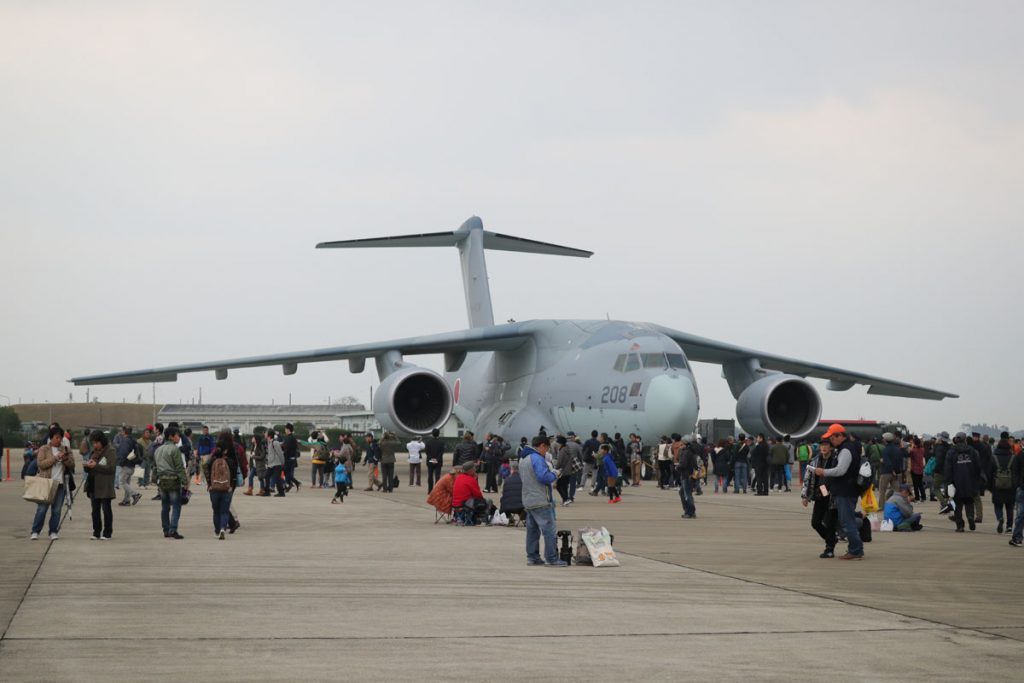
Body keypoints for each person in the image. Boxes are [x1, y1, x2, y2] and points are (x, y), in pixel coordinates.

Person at [814, 424, 864, 560]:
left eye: (832, 437)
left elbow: (841, 470)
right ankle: (856, 549)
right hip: (846, 490)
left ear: (840, 436)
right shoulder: (847, 448)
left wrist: (823, 471)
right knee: (848, 521)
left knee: (847, 522)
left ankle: (855, 550)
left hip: (845, 491)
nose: (831, 440)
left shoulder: (846, 450)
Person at [520, 435, 565, 566]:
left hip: (528, 500)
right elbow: (543, 477)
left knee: (532, 531)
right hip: (541, 500)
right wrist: (555, 474)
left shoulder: (524, 459)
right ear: (542, 446)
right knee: (549, 530)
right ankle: (551, 558)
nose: (547, 452)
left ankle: (532, 557)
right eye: (547, 448)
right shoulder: (537, 458)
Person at [29, 426, 74, 540]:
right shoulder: (44, 449)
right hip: (46, 483)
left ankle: (53, 531)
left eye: (61, 438)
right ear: (51, 437)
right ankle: (35, 531)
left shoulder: (66, 449)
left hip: (60, 484)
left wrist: (65, 459)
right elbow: (41, 464)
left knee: (57, 510)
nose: (59, 440)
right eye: (57, 437)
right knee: (42, 509)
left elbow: (72, 465)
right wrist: (55, 458)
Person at [802, 436, 838, 557]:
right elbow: (807, 478)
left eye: (826, 445)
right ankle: (831, 539)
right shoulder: (815, 460)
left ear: (831, 447)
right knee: (815, 523)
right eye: (821, 445)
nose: (823, 447)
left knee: (830, 523)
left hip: (833, 496)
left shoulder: (836, 460)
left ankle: (829, 549)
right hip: (820, 494)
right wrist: (805, 496)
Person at [203, 431, 239, 539]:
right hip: (227, 488)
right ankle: (223, 528)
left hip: (214, 488)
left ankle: (217, 530)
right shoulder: (230, 461)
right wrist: (232, 485)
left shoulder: (212, 460)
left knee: (216, 511)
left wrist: (209, 483)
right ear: (226, 450)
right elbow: (234, 474)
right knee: (224, 511)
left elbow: (205, 468)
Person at [153, 425, 188, 539]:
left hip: (162, 481)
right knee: (176, 506)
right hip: (173, 480)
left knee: (165, 506)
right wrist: (185, 482)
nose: (178, 437)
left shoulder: (158, 449)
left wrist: (155, 479)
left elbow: (155, 467)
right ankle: (173, 529)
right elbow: (179, 467)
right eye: (177, 435)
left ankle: (166, 529)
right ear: (171, 437)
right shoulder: (175, 449)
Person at [83, 430, 117, 540]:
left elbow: (111, 469)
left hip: (104, 486)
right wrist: (87, 466)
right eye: (93, 443)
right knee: (95, 511)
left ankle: (107, 532)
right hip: (93, 484)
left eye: (96, 442)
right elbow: (91, 466)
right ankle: (96, 532)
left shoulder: (110, 451)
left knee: (106, 509)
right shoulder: (94, 452)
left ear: (102, 441)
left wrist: (96, 466)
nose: (95, 445)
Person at [945, 432, 981, 532]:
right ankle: (970, 516)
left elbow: (948, 469)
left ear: (956, 440)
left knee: (957, 505)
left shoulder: (951, 452)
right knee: (969, 502)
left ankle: (960, 525)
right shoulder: (972, 451)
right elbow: (978, 466)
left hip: (956, 482)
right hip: (970, 481)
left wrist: (948, 482)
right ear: (965, 440)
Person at [990, 437, 1017, 534]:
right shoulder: (1013, 457)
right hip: (1011, 486)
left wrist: (990, 487)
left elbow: (990, 473)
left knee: (998, 505)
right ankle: (1009, 526)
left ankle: (1000, 518)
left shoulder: (994, 457)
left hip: (997, 485)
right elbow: (1016, 472)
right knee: (1009, 507)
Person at [452, 461, 488, 525]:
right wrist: (475, 480)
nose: (475, 469)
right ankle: (484, 520)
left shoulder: (458, 477)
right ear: (471, 470)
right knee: (488, 502)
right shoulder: (470, 480)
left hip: (455, 504)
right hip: (464, 504)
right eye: (474, 468)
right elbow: (478, 495)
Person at [114, 425, 142, 507]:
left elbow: (123, 453)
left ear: (124, 432)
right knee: (127, 482)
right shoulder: (133, 440)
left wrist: (121, 462)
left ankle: (135, 494)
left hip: (126, 465)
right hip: (132, 464)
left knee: (122, 482)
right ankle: (126, 500)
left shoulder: (125, 441)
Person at [878, 433, 904, 503]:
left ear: (885, 440)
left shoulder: (885, 450)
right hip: (896, 473)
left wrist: (882, 461)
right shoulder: (898, 449)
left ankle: (882, 506)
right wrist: (897, 471)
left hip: (886, 472)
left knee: (882, 490)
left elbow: (887, 462)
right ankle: (897, 504)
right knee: (897, 491)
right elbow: (900, 461)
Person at [677, 438, 698, 518]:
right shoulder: (691, 452)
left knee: (687, 494)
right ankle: (688, 511)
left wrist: (677, 467)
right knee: (683, 493)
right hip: (690, 475)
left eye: (681, 444)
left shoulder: (685, 452)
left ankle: (690, 512)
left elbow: (683, 464)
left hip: (686, 476)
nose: (680, 446)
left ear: (685, 445)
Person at [264, 429, 286, 497]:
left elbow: (280, 453)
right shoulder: (268, 442)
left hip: (276, 464)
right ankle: (267, 492)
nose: (265, 434)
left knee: (277, 479)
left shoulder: (275, 442)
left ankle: (281, 493)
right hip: (270, 464)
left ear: (269, 435)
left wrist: (282, 463)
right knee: (266, 477)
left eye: (266, 433)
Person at [282, 423, 302, 493]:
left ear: (288, 429)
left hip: (289, 459)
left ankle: (293, 484)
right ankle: (294, 484)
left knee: (287, 474)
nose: (285, 430)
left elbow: (287, 449)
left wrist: (283, 456)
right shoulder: (289, 437)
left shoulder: (290, 438)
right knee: (286, 474)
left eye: (285, 429)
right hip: (289, 458)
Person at [908, 437, 926, 501]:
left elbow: (909, 454)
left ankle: (917, 497)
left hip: (914, 468)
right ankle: (923, 496)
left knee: (915, 484)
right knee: (920, 483)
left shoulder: (913, 450)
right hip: (920, 468)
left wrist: (912, 447)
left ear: (914, 443)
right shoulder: (922, 449)